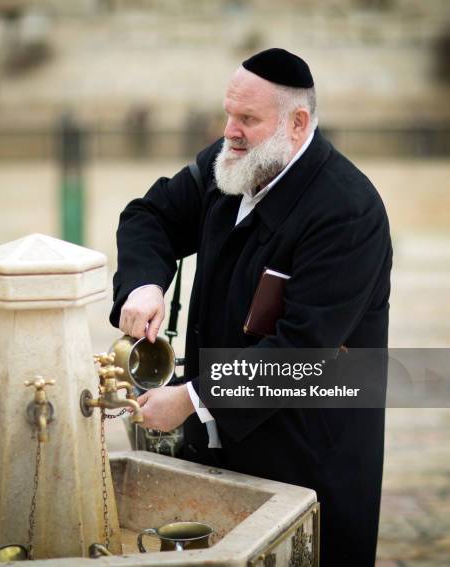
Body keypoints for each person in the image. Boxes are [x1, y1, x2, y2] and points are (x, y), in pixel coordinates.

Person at [109, 48, 392, 566]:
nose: (230, 131)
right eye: (228, 114)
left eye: (247, 119)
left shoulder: (347, 213)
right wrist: (144, 285)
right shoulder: (231, 163)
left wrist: (191, 399)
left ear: (298, 122)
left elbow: (302, 354)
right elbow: (149, 216)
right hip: (220, 452)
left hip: (306, 458)